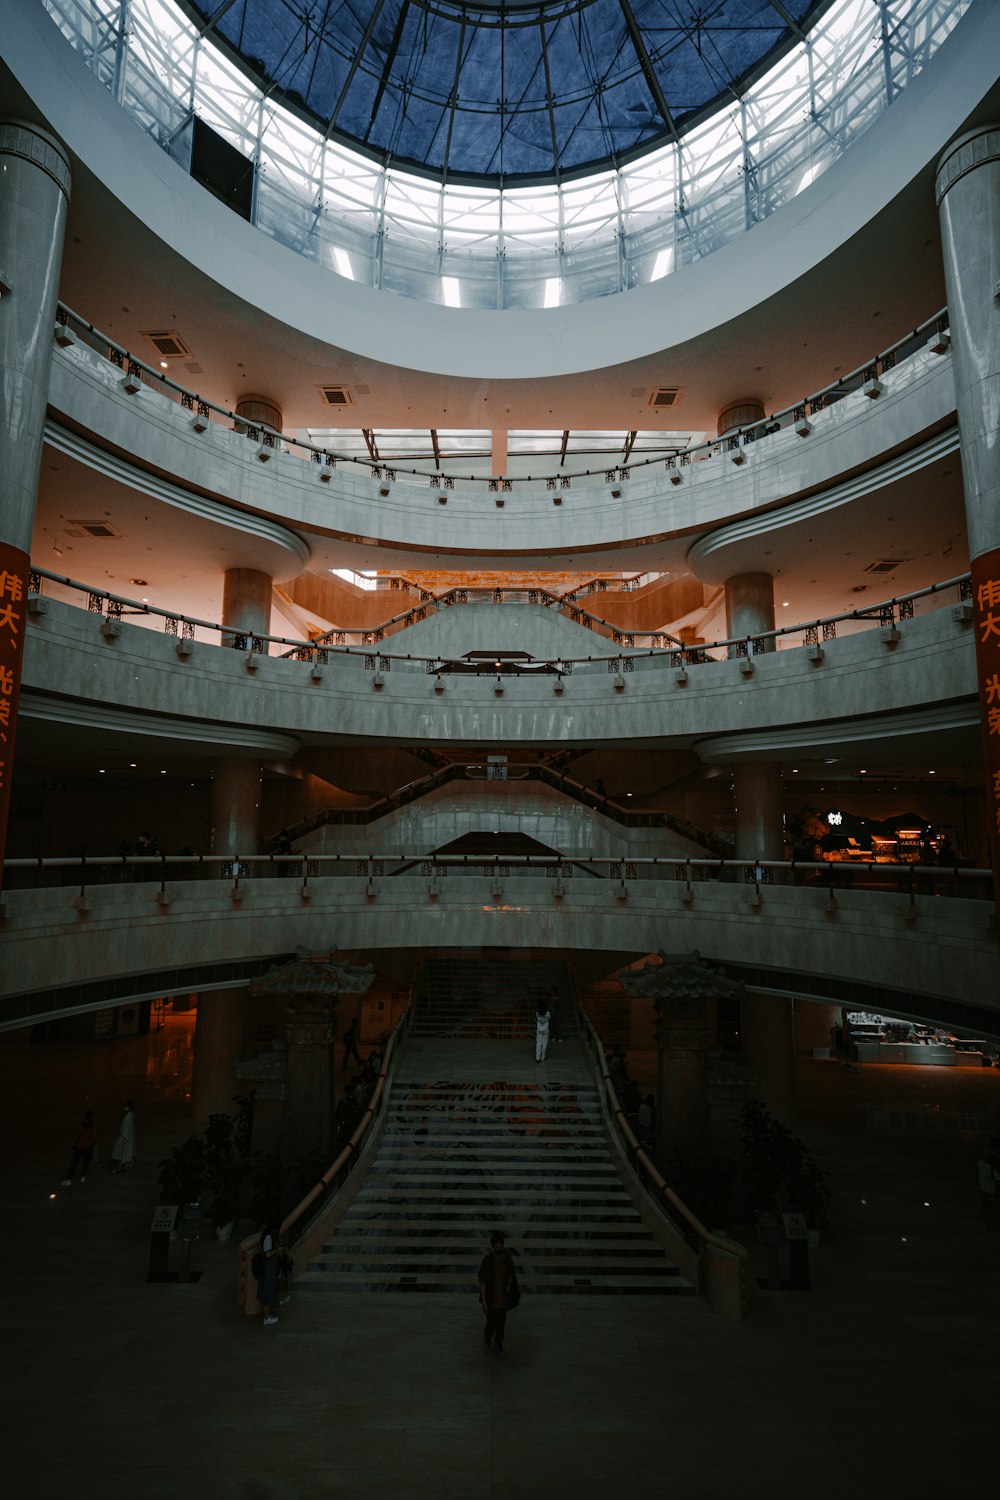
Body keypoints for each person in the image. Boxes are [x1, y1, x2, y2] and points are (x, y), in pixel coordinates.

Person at [478, 1231, 517, 1355]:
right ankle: (488, 1336)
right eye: (497, 1247)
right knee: (491, 1323)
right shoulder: (487, 1261)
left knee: (501, 1324)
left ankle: (498, 1342)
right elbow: (482, 1281)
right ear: (493, 1247)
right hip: (491, 1299)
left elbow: (511, 1276)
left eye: (501, 1247)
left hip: (503, 1299)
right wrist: (484, 1301)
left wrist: (509, 1289)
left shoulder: (507, 1260)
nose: (499, 1249)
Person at [62, 1108, 97, 1186]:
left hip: (80, 1147)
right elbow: (94, 1136)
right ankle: (83, 1176)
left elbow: (76, 1136)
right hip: (89, 1146)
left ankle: (69, 1179)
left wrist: (75, 1143)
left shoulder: (80, 1125)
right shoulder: (94, 1125)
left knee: (74, 1163)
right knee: (85, 1162)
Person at [258, 1221, 281, 1325]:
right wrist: (277, 1250)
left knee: (269, 1289)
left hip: (270, 1268)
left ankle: (268, 1315)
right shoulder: (268, 1238)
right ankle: (266, 1317)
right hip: (268, 1268)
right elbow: (268, 1254)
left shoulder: (266, 1236)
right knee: (267, 1290)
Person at [977, 1139, 1000, 1228]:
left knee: (985, 1206)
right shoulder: (992, 1168)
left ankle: (988, 1222)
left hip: (982, 1187)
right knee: (996, 1207)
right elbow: (998, 1180)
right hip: (991, 1190)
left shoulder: (980, 1162)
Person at [110, 1100, 137, 1173]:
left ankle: (117, 1168)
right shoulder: (131, 1115)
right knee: (124, 1154)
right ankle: (122, 1168)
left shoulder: (128, 1116)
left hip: (124, 1138)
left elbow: (125, 1128)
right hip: (127, 1137)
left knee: (119, 1154)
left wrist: (125, 1138)